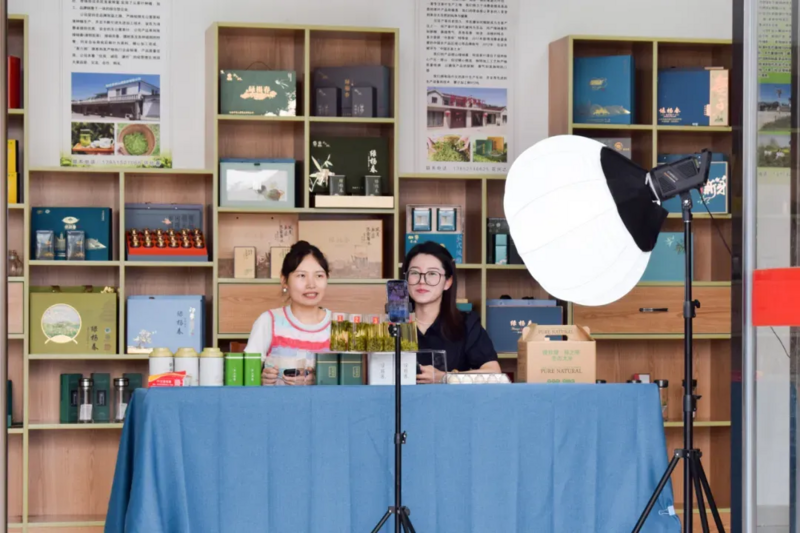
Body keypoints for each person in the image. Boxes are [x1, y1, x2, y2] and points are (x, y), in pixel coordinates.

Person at [402, 241, 501, 384]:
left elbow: (494, 373)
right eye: (415, 273)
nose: (422, 281)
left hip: (452, 399)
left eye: (432, 273)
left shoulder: (466, 324)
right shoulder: (391, 326)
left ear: (448, 282)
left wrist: (445, 377)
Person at [244, 241, 332, 385]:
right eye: (301, 275)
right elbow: (245, 378)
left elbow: (353, 381)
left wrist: (318, 380)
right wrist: (260, 379)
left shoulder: (340, 326)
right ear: (284, 280)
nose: (311, 284)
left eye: (319, 276)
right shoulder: (269, 321)